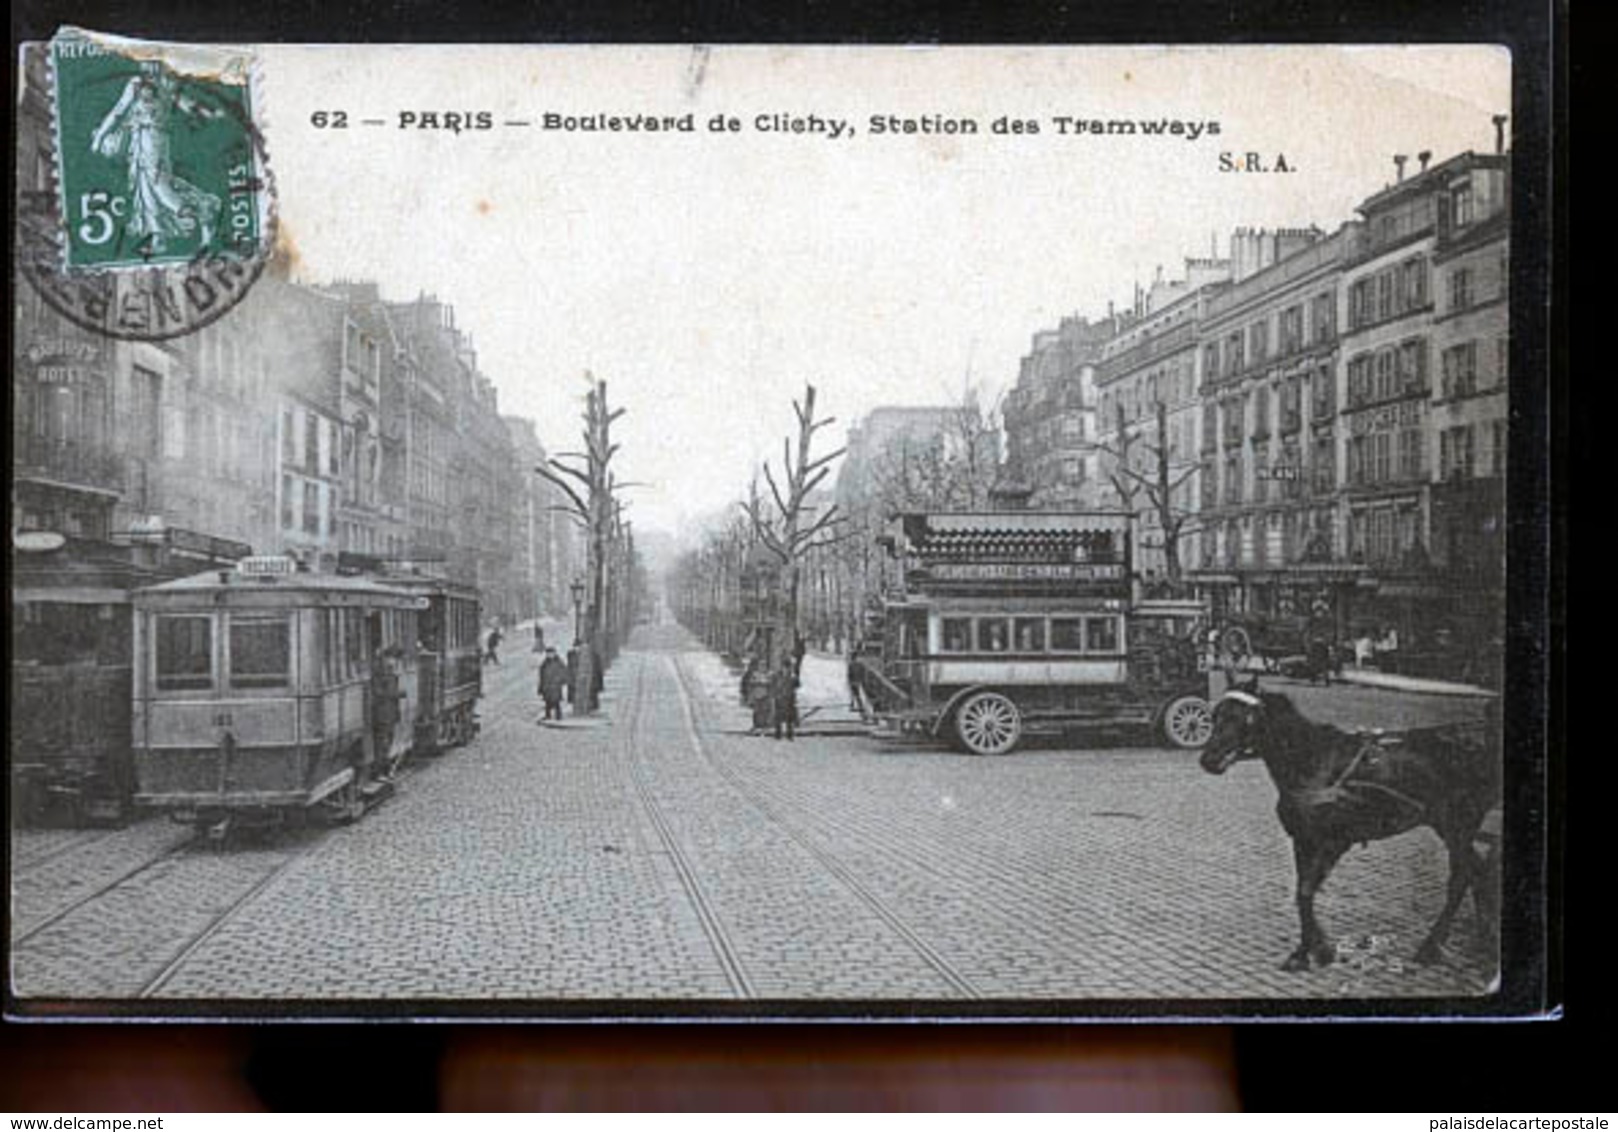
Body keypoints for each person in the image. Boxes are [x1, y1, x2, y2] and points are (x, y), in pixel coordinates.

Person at [369, 646, 405, 772]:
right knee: (383, 742)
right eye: (394, 659)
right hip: (382, 713)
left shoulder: (389, 671)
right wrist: (397, 693)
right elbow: (379, 692)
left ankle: (383, 766)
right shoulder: (381, 672)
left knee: (387, 740)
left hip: (389, 713)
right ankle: (380, 768)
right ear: (388, 658)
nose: (395, 662)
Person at [537, 647, 568, 721]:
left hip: (555, 687)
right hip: (547, 687)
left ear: (554, 653)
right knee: (547, 703)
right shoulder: (544, 664)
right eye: (548, 654)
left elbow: (563, 673)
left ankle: (558, 716)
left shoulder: (559, 663)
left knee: (556, 702)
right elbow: (542, 677)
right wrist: (540, 688)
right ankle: (548, 715)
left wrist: (560, 680)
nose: (549, 655)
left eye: (551, 653)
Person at [770, 664, 798, 742]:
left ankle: (789, 734)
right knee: (778, 718)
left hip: (789, 700)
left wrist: (795, 677)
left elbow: (797, 685)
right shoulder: (777, 677)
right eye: (785, 668)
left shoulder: (791, 677)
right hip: (780, 699)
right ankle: (778, 734)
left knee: (789, 718)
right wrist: (775, 695)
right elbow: (774, 686)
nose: (786, 670)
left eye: (787, 668)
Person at [565, 642, 580, 711]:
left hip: (579, 675)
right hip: (572, 675)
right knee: (573, 691)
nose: (577, 648)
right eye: (575, 646)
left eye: (578, 647)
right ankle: (574, 706)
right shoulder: (570, 654)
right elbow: (569, 665)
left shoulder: (583, 654)